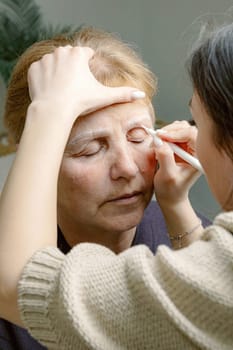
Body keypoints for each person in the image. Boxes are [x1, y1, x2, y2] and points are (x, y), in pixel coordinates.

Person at [0, 21, 229, 349]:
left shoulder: (203, 243)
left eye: (138, 136)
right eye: (90, 149)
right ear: (35, 162)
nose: (126, 168)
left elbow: (18, 282)